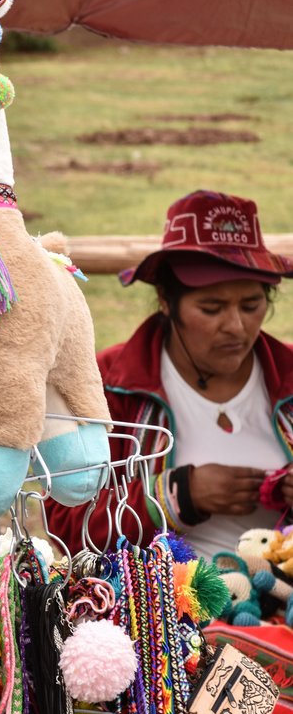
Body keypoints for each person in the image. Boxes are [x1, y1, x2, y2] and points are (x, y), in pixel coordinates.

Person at [46, 190, 293, 559]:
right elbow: (66, 527)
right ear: (165, 299)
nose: (236, 326)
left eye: (251, 305)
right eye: (211, 308)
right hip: (155, 609)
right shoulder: (106, 386)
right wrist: (176, 495)